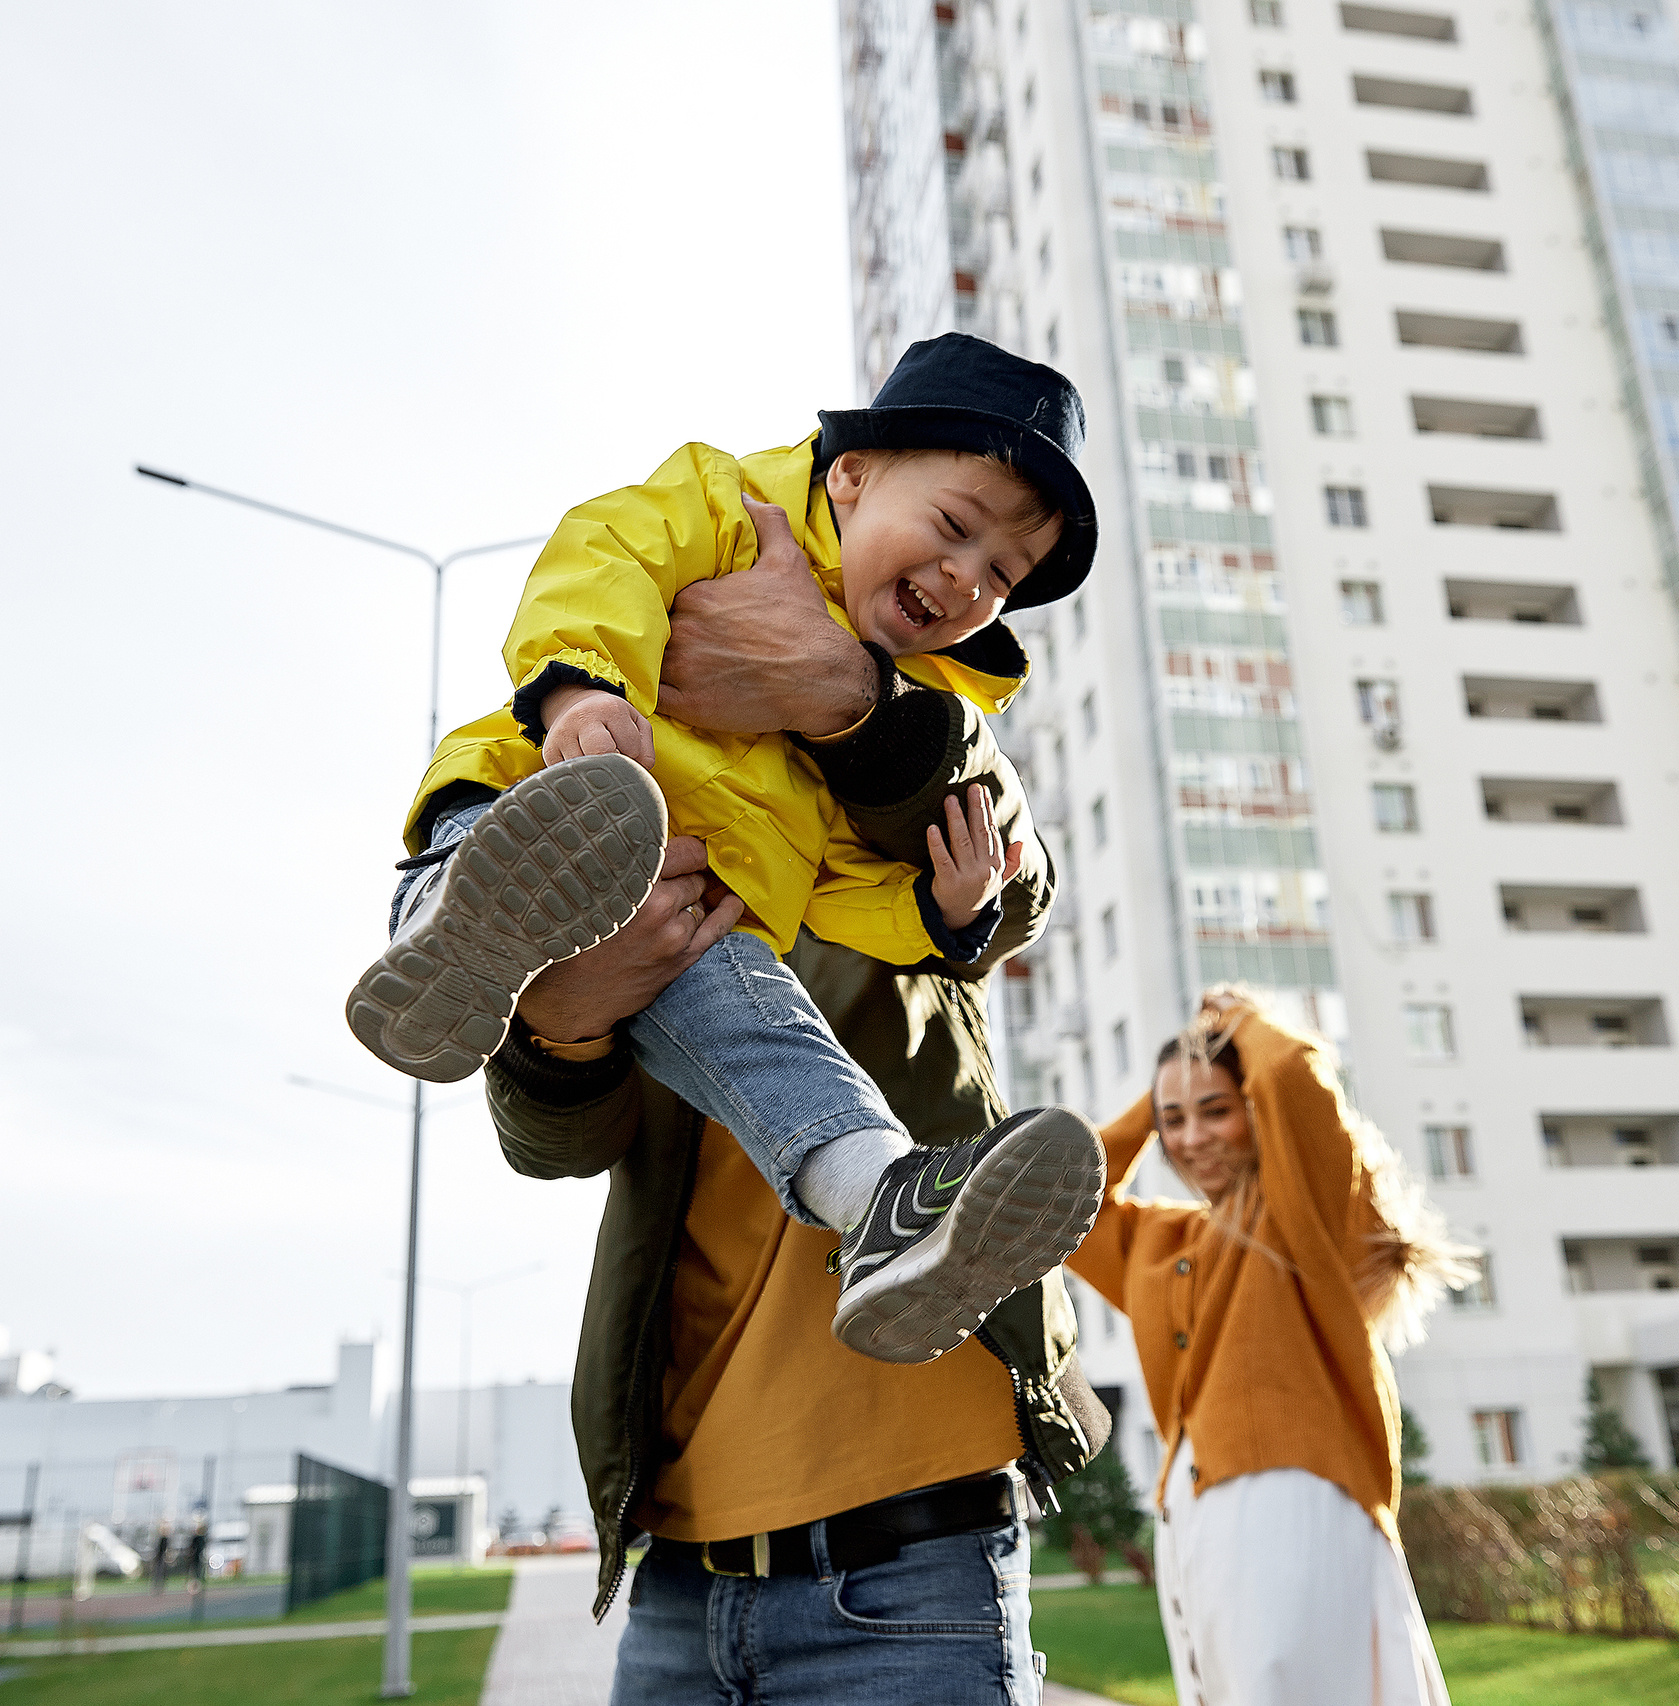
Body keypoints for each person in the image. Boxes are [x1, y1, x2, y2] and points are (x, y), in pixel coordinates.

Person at [349, 333, 1106, 1365]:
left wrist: (931, 910)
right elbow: (607, 547)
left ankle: (885, 1201)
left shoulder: (931, 715)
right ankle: (451, 930)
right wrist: (581, 684)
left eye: (1001, 573)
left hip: (707, 929)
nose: (965, 578)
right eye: (951, 526)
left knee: (776, 1046)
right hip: (572, 791)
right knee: (505, 824)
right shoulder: (729, 507)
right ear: (849, 473)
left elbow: (848, 876)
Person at [482, 542, 1103, 1703]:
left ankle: (890, 1204)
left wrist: (845, 688)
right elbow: (552, 1145)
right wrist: (560, 1017)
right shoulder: (631, 856)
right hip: (681, 1572)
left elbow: (1007, 864)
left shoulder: (886, 825)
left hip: (912, 1562)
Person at [1067, 994, 1474, 1706]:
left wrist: (1235, 1027)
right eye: (1176, 1123)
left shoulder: (1306, 1215)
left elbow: (1293, 1073)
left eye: (1217, 1110)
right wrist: (1170, 1088)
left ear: (1256, 1110)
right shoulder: (1163, 1241)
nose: (1193, 1137)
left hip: (1292, 1500)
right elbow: (1067, 1196)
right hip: (1191, 1514)